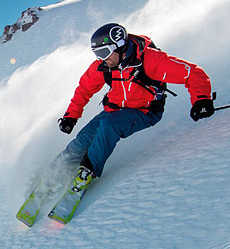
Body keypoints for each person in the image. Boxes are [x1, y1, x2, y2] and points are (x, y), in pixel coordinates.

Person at [56, 23, 214, 191]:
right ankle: (56, 173)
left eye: (104, 53)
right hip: (113, 110)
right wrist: (71, 116)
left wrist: (201, 99)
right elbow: (84, 89)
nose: (102, 59)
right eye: (97, 54)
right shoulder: (104, 66)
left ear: (119, 46)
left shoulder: (150, 60)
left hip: (144, 111)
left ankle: (87, 171)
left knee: (109, 126)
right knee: (82, 140)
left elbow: (193, 73)